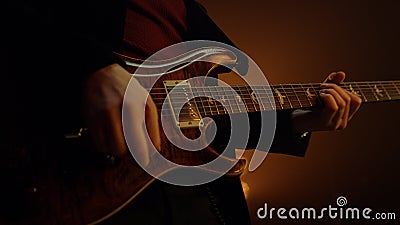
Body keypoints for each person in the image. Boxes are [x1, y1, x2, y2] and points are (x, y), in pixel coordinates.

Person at [3, 0, 362, 224]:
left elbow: (204, 115)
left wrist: (302, 120)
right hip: (81, 174)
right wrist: (90, 66)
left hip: (200, 197)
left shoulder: (188, 13)